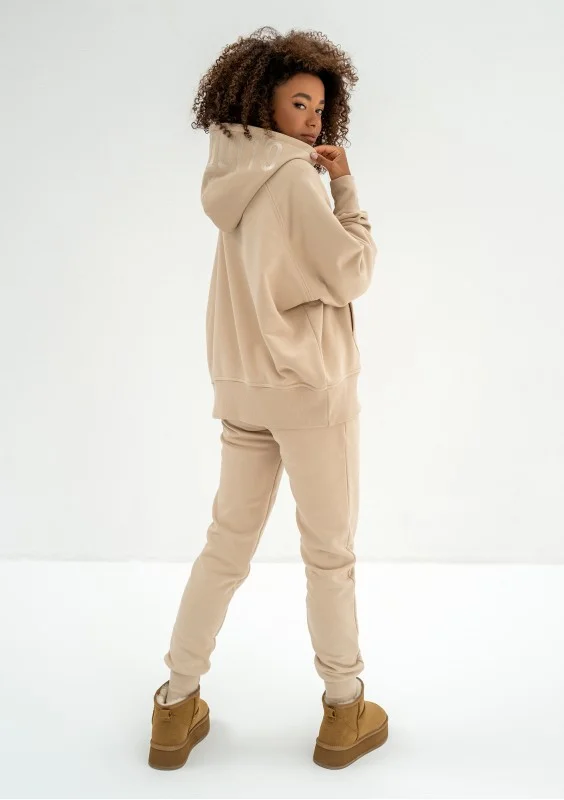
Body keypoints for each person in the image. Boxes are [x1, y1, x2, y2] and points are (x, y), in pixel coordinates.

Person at [148, 25, 388, 771]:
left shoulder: (231, 174)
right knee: (329, 554)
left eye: (319, 106)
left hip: (244, 390)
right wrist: (346, 187)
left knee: (225, 547)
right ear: (264, 103)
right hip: (309, 393)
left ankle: (174, 704)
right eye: (299, 104)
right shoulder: (294, 179)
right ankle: (344, 708)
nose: (312, 120)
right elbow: (352, 272)